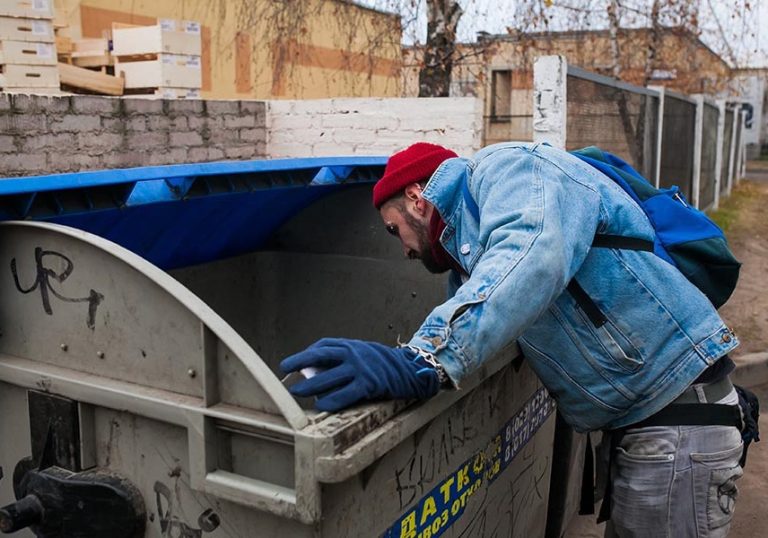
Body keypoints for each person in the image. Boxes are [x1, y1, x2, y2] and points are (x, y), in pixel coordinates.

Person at [281, 141, 744, 537]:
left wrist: (423, 359)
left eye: (393, 229)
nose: (402, 249)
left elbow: (533, 254)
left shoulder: (513, 168)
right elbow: (487, 305)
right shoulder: (470, 251)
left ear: (417, 197)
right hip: (649, 430)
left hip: (677, 426)